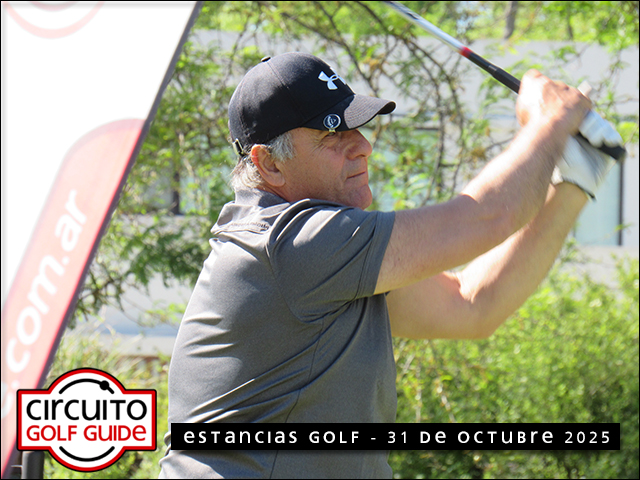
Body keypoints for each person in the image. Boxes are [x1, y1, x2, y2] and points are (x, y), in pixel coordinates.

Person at [159, 52, 623, 479]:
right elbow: (487, 217)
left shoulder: (330, 259)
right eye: (332, 134)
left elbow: (472, 306)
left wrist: (573, 182)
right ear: (270, 165)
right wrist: (551, 121)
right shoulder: (291, 243)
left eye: (357, 128)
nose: (362, 147)